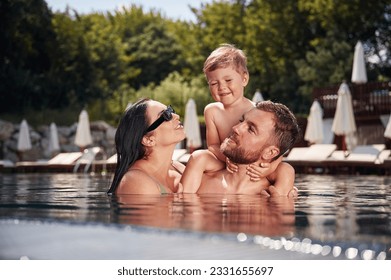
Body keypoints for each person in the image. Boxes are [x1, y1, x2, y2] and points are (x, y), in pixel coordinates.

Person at [202, 43, 287, 181]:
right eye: (213, 83)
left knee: (286, 170)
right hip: (228, 164)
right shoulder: (211, 111)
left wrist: (269, 168)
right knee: (200, 158)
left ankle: (281, 194)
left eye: (228, 80)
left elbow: (279, 148)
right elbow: (213, 146)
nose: (222, 87)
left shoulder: (257, 111)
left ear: (244, 79)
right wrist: (227, 158)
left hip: (253, 165)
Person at [180, 100, 300, 196]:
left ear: (270, 152)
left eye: (251, 129)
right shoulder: (198, 180)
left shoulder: (275, 195)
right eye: (242, 121)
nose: (235, 128)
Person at [107, 98, 186, 195]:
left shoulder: (177, 168)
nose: (176, 116)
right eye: (166, 115)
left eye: (171, 111)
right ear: (148, 140)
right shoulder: (135, 181)